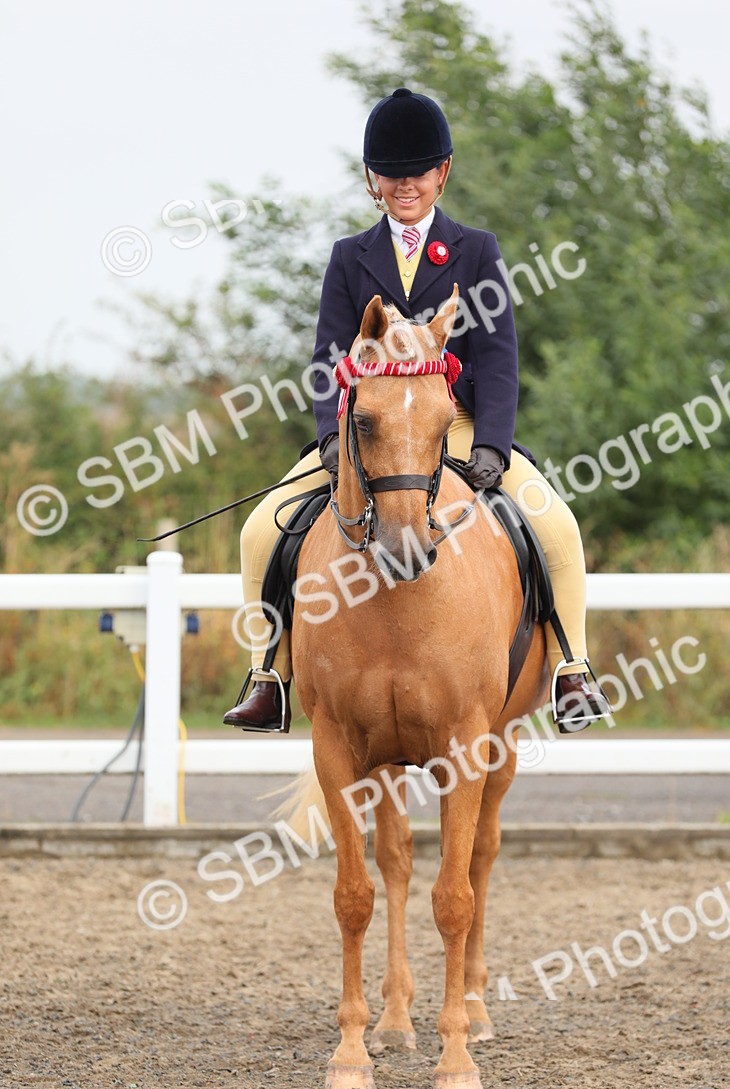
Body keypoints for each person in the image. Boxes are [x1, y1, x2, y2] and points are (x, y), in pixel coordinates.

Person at [224, 87, 610, 735]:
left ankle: (573, 667)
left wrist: (491, 444)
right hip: (366, 434)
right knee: (262, 530)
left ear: (443, 173)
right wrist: (329, 437)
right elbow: (327, 357)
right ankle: (271, 673)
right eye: (393, 176)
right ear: (373, 181)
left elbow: (498, 359)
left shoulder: (476, 249)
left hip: (450, 425)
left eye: (419, 174)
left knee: (556, 525)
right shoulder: (351, 257)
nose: (406, 186)